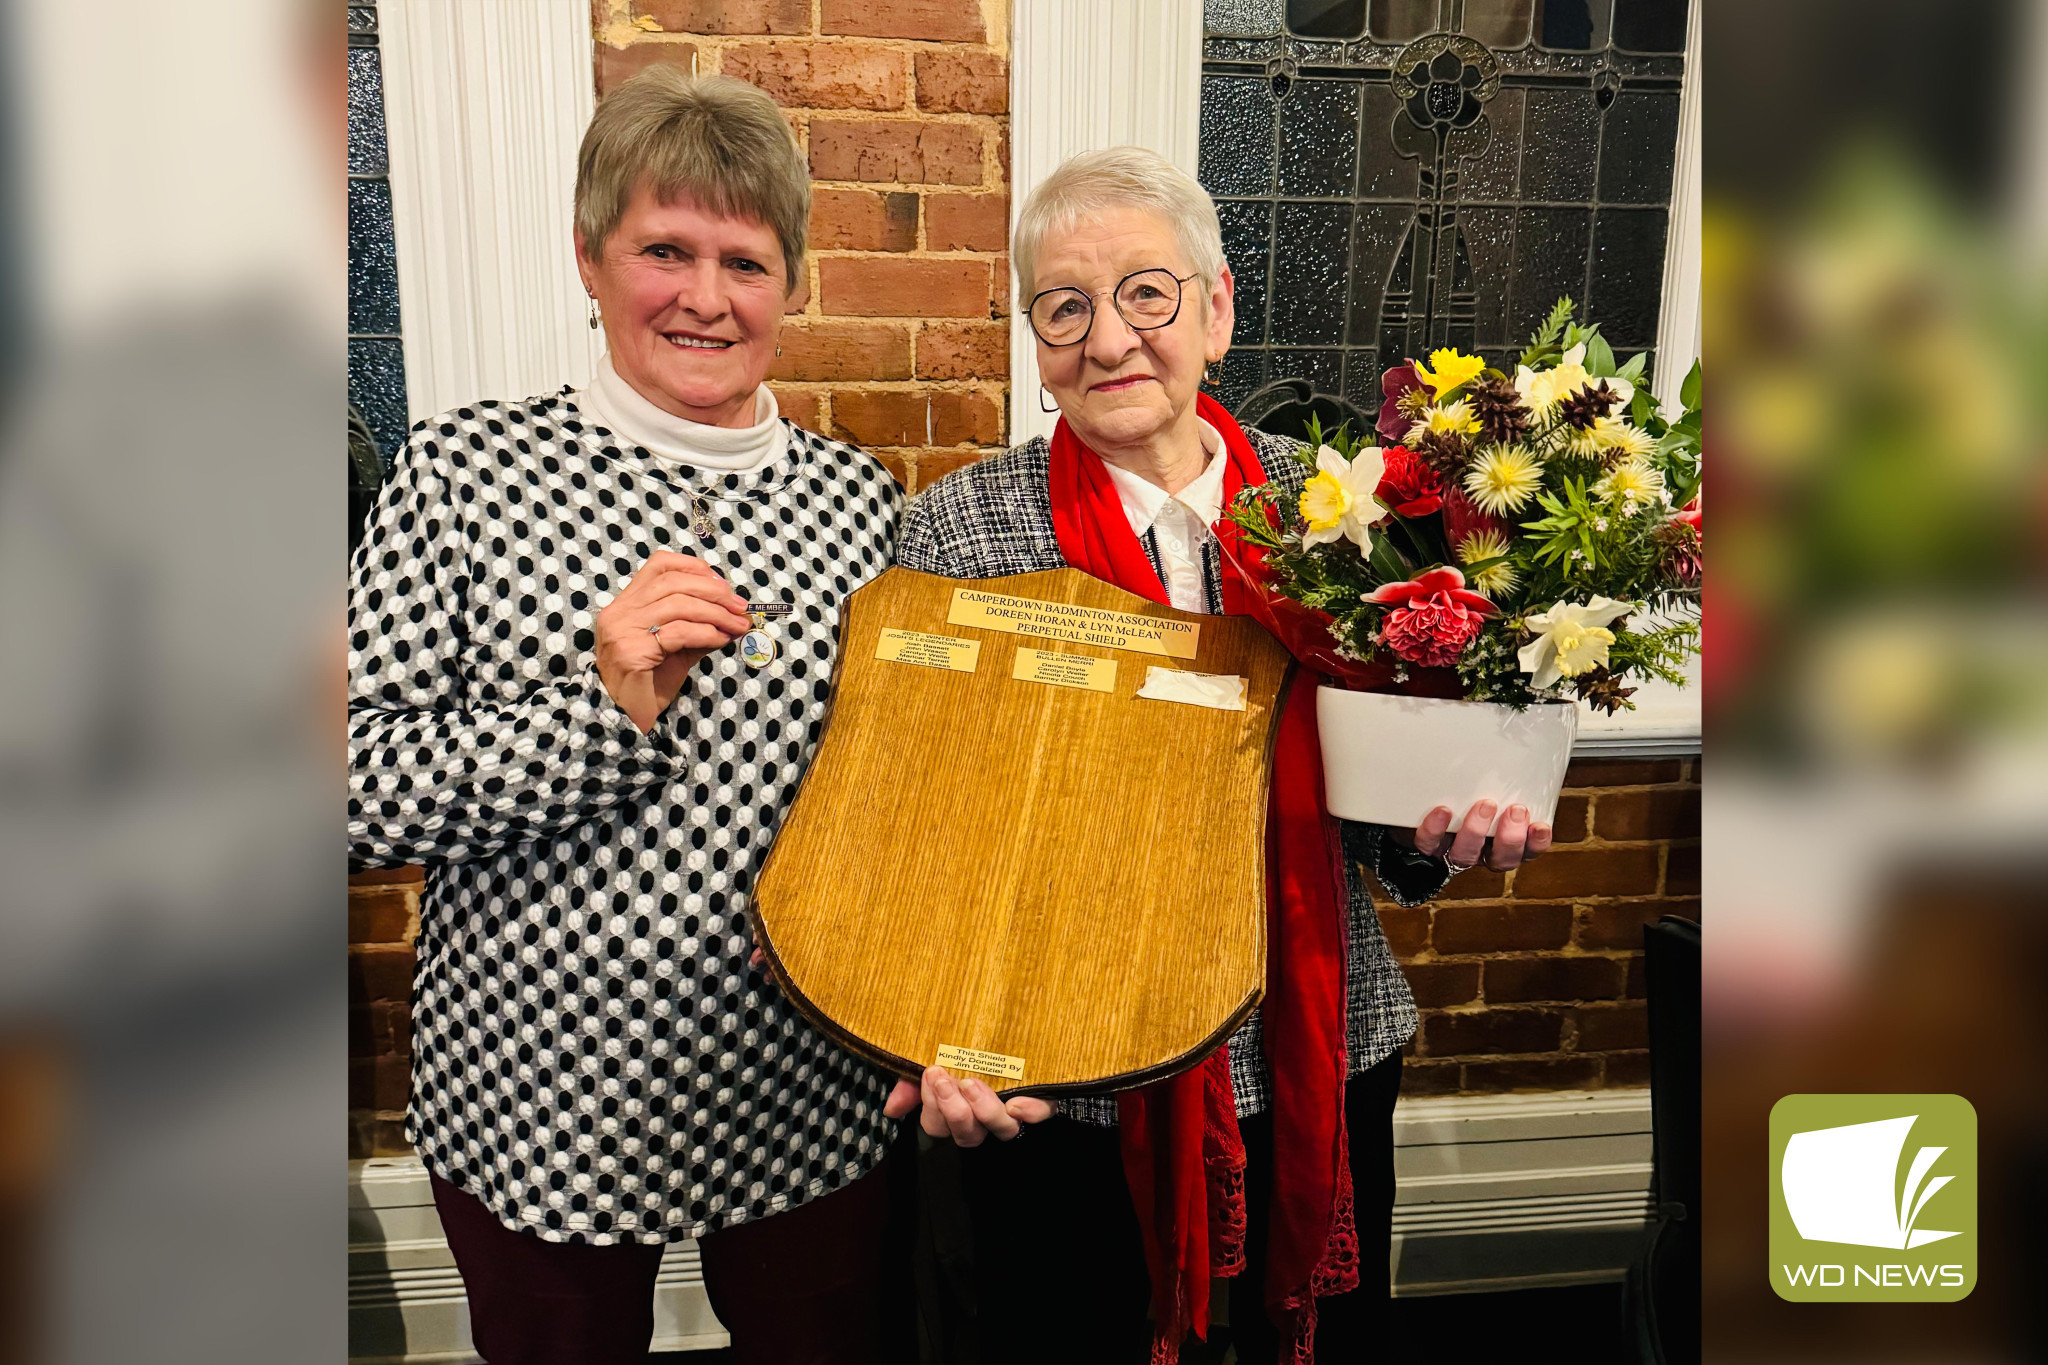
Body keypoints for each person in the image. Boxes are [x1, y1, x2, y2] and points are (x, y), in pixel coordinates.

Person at [893, 146, 1555, 1364]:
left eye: (1146, 292)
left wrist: (1440, 834)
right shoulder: (957, 529)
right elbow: (925, 822)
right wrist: (939, 1032)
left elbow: (1383, 808)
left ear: (1218, 306)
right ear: (1035, 340)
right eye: (1065, 306)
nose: (1109, 340)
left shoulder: (1331, 506)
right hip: (1070, 1075)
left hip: (1316, 1044)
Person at [347, 69, 913, 1364]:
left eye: (746, 261)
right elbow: (349, 789)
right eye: (666, 249)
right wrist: (600, 711)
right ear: (591, 258)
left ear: (792, 283)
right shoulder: (465, 475)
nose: (706, 297)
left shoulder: (856, 503)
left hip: (803, 1076)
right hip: (542, 1087)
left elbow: (895, 789)